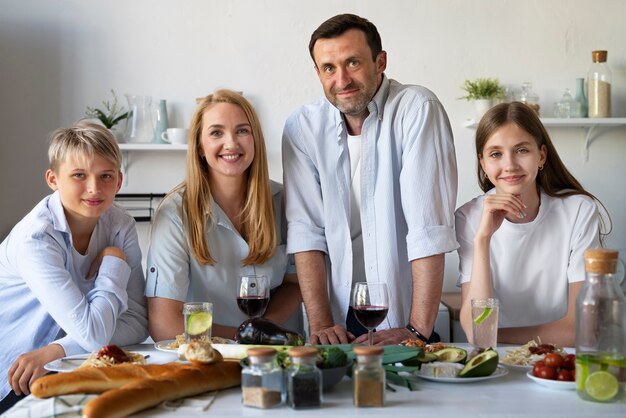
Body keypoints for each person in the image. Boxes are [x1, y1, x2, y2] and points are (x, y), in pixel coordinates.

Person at [282, 14, 458, 345]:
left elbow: (428, 230)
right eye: (329, 68)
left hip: (405, 314)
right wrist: (321, 324)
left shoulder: (417, 109)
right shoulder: (301, 128)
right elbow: (307, 233)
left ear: (380, 62)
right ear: (318, 73)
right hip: (337, 317)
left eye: (353, 63)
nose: (342, 79)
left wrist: (416, 330)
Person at [0, 122, 148, 413]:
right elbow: (93, 336)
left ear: (118, 181)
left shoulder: (120, 225)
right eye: (79, 175)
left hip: (62, 363)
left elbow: (139, 322)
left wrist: (58, 350)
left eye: (105, 176)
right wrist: (114, 260)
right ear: (53, 179)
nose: (94, 188)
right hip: (13, 372)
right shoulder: (37, 238)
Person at [146, 89, 302, 342]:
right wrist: (244, 339)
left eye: (242, 130)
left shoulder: (286, 202)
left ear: (255, 141)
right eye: (216, 132)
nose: (231, 143)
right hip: (208, 359)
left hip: (279, 355)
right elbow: (164, 323)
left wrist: (265, 331)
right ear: (199, 146)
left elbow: (295, 284)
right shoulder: (174, 214)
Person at [456, 101, 610, 348]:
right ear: (483, 164)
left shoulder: (579, 210)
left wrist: (493, 336)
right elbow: (475, 326)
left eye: (521, 150)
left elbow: (581, 328)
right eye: (496, 154)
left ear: (541, 156)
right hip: (497, 362)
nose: (510, 165)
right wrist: (483, 238)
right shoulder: (469, 217)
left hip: (559, 360)